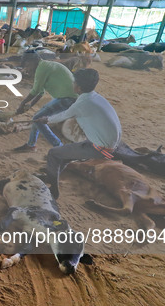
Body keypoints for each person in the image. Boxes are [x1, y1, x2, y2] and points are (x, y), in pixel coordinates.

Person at [35, 68, 122, 199]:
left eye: (74, 82)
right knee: (64, 154)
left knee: (53, 154)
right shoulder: (96, 97)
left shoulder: (81, 104)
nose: (72, 84)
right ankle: (52, 175)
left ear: (79, 87)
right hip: (109, 143)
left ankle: (53, 191)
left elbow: (62, 116)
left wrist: (45, 119)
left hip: (100, 148)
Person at [13, 53, 77, 152]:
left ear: (32, 62)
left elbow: (35, 91)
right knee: (37, 117)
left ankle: (58, 146)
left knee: (38, 119)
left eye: (27, 66)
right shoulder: (44, 66)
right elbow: (40, 92)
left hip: (67, 98)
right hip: (65, 97)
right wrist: (30, 105)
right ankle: (31, 145)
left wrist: (22, 104)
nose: (27, 69)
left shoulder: (42, 68)